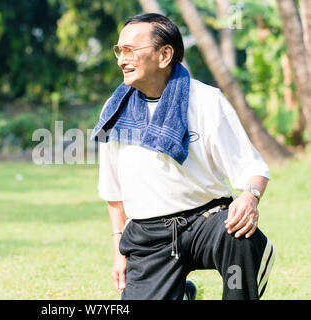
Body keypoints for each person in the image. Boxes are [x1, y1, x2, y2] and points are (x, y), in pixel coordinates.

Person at [90, 13, 275, 300]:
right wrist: (118, 252)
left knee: (239, 235)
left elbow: (253, 168)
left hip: (207, 220)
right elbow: (113, 191)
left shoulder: (206, 101)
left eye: (131, 50)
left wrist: (249, 197)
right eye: (119, 50)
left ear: (165, 55)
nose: (121, 60)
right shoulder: (115, 111)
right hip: (147, 235)